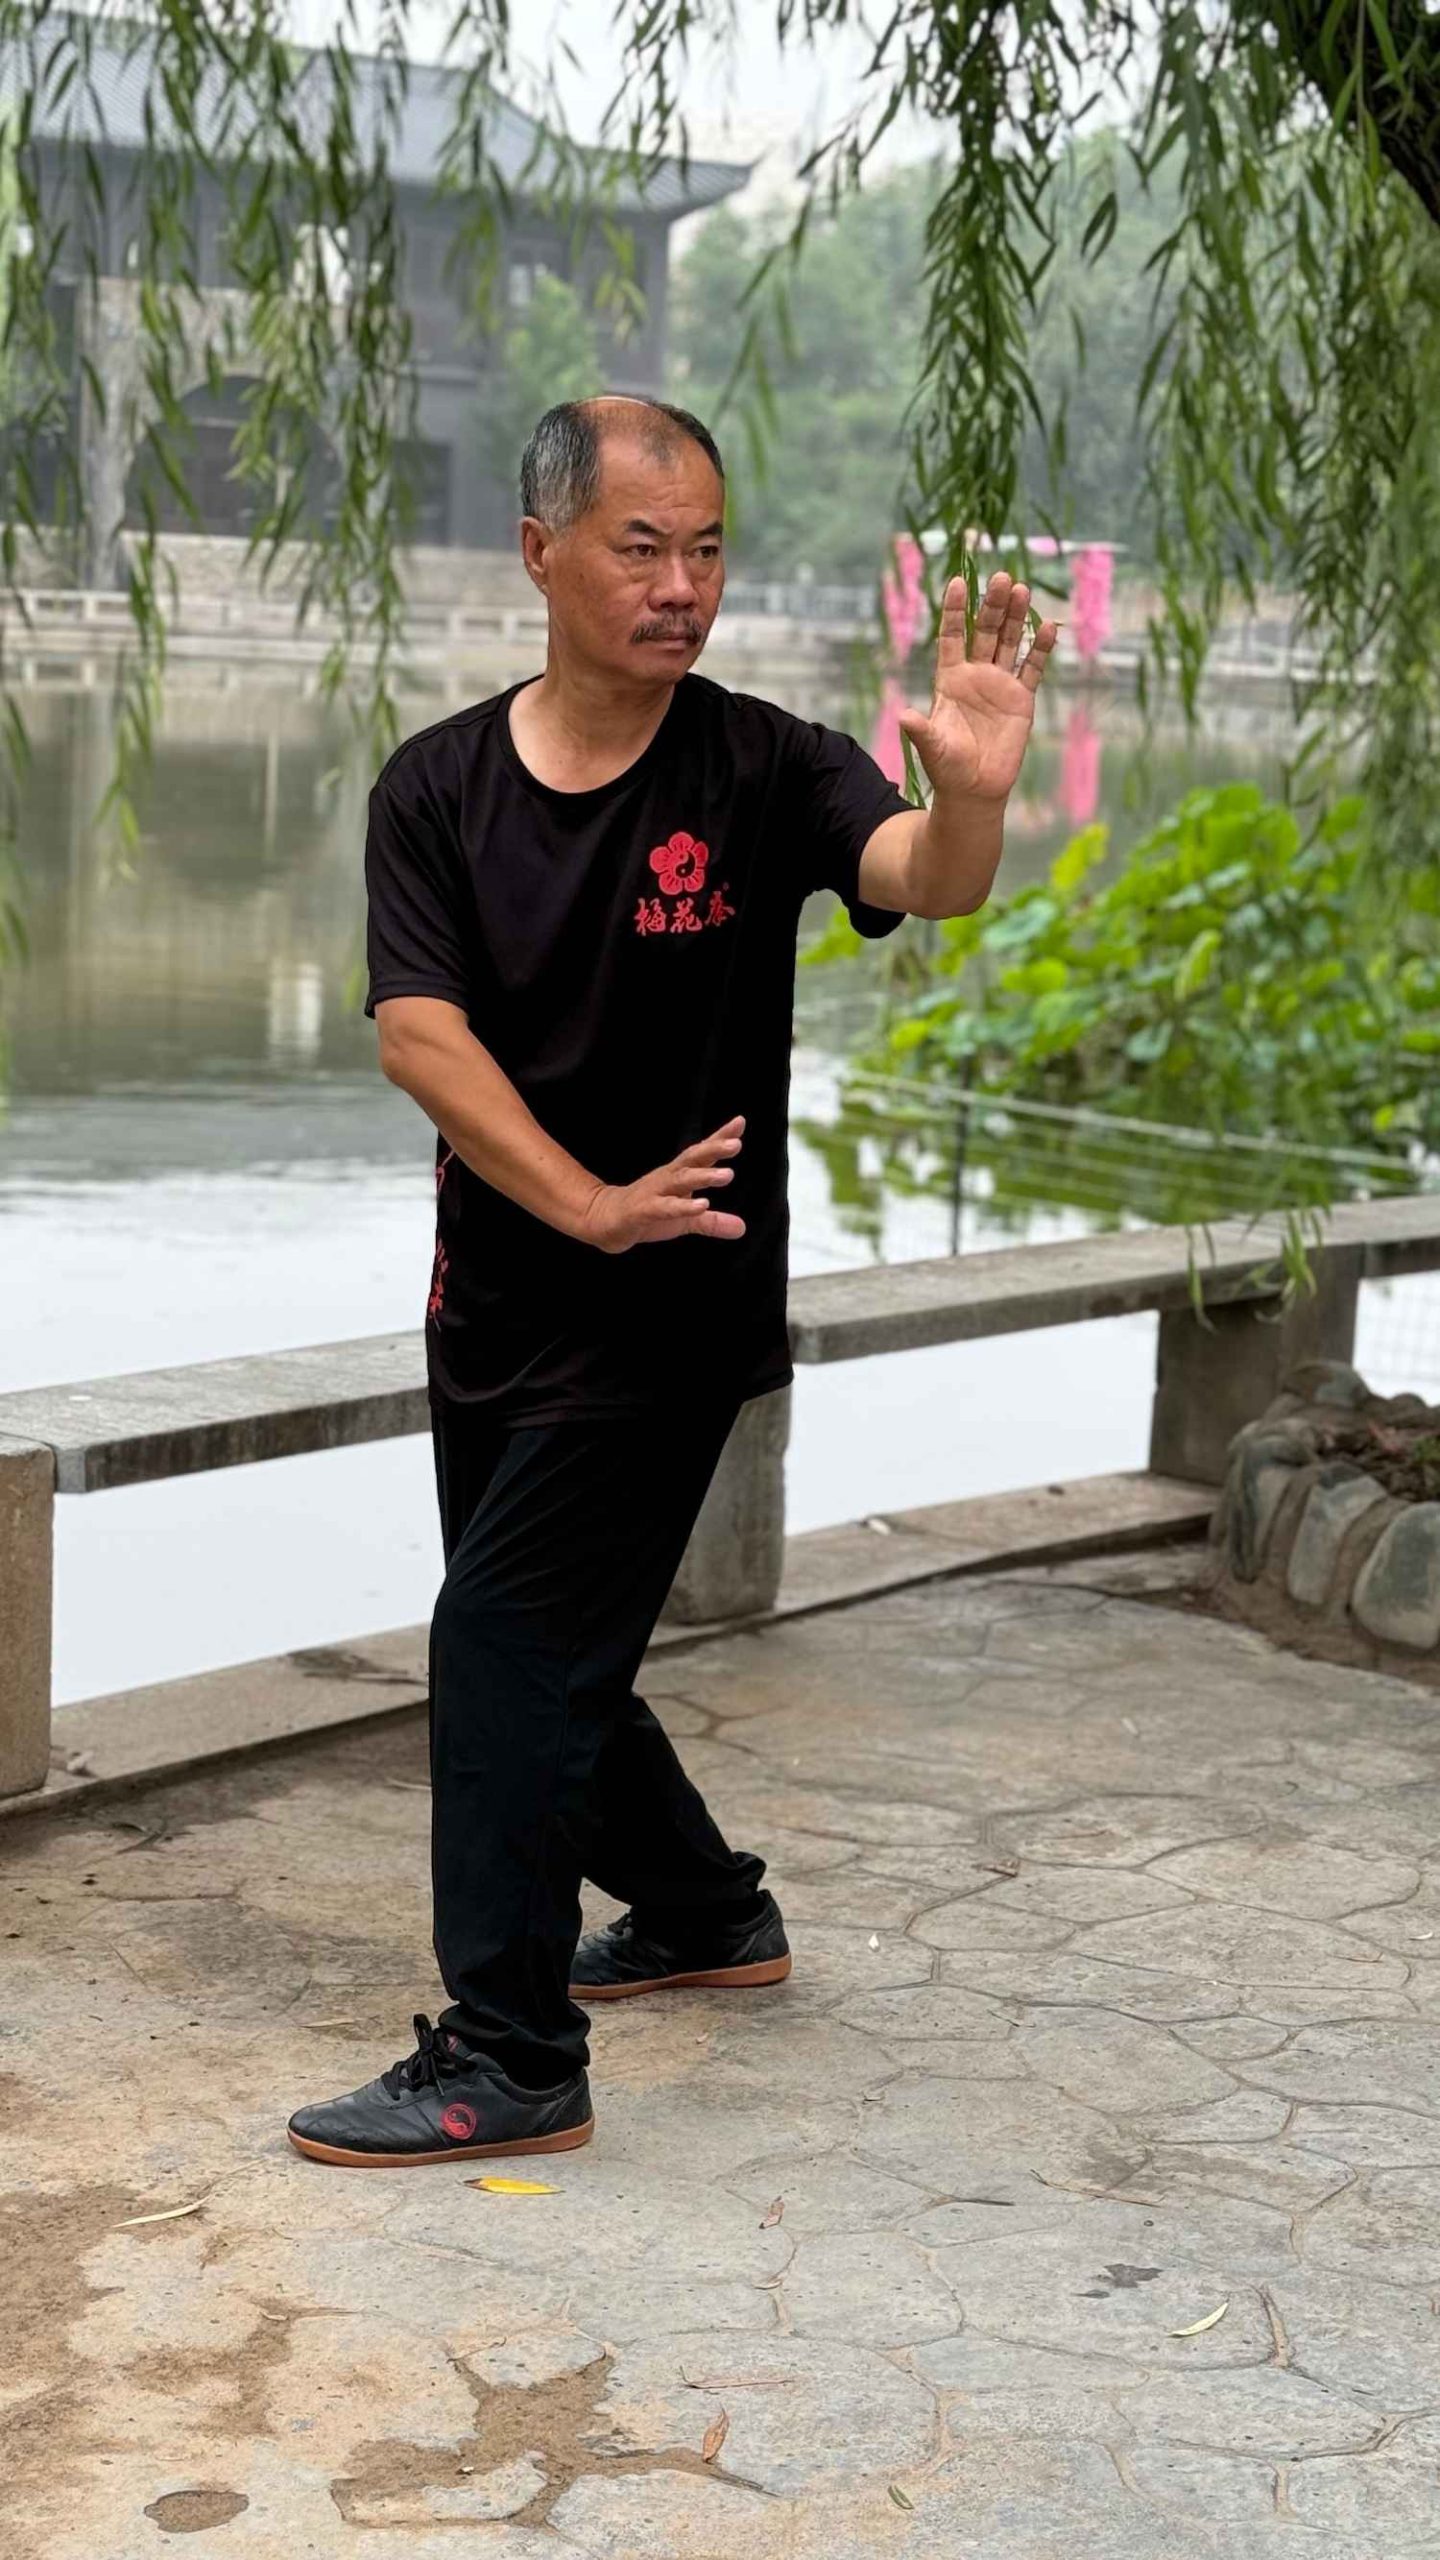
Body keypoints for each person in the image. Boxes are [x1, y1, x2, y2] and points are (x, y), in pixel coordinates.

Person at [286, 393, 1058, 2167]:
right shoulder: (438, 788)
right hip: (497, 1303)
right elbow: (420, 1034)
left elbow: (920, 876)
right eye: (642, 546)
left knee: (501, 1642)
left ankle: (511, 2051)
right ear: (541, 552)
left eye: (706, 548)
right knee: (554, 1646)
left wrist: (973, 800)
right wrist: (580, 1203)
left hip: (676, 1304)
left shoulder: (763, 765)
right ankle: (709, 1913)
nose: (681, 585)